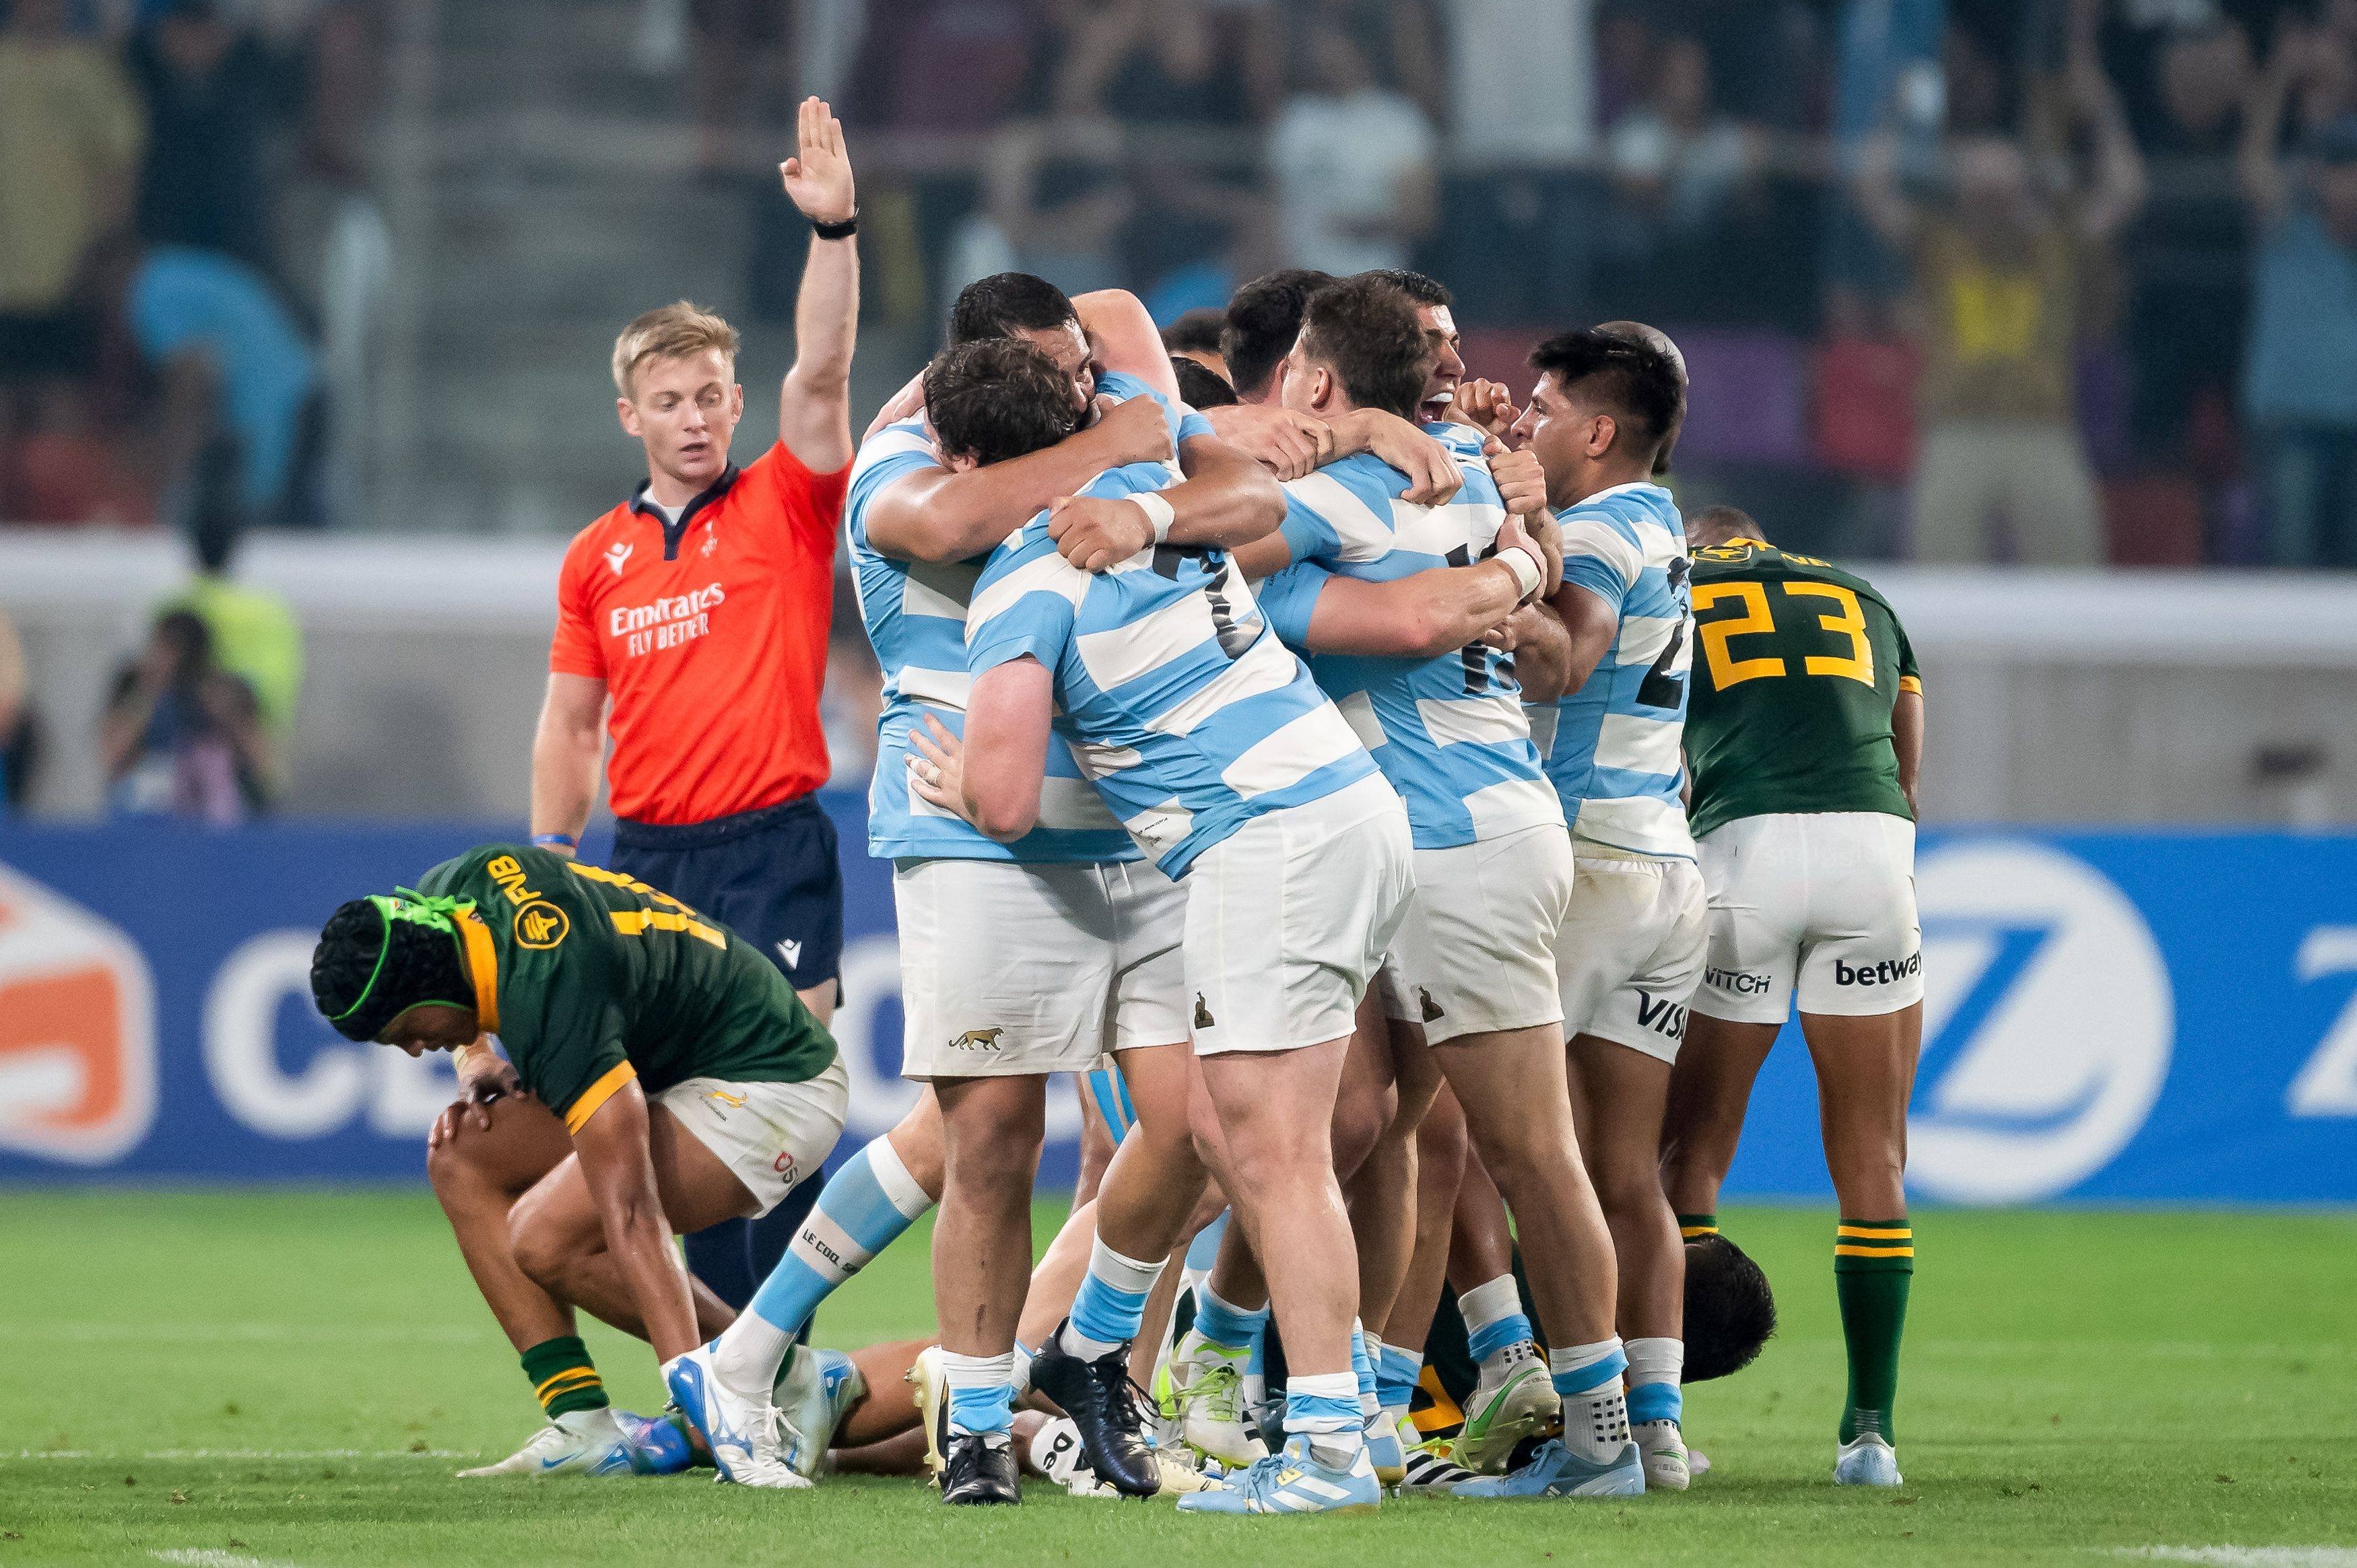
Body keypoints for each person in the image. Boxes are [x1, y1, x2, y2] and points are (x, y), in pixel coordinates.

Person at [669, 271, 1282, 1503]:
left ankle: (1090, 1349)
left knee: (1205, 1127)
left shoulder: (1095, 407)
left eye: (1083, 366)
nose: (1083, 382)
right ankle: (974, 1421)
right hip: (974, 831)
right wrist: (1117, 444)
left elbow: (1246, 499)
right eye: (1055, 372)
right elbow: (946, 526)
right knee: (989, 1137)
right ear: (980, 384)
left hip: (1127, 827)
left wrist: (1143, 450)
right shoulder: (918, 453)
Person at [910, 337, 1418, 1519]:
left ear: (967, 459)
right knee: (1219, 1125)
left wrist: (956, 792)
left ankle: (1330, 1447)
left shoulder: (1022, 583)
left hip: (1268, 841)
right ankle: (1093, 1348)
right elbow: (1255, 490)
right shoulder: (1157, 500)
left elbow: (1006, 798)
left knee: (1275, 1158)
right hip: (1351, 808)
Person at [1196, 275, 1575, 1489]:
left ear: (1318, 371)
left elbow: (1408, 616)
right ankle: (1261, 1373)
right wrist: (1527, 536)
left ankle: (1356, 1393)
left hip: (1405, 830)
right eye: (1437, 351)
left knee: (1411, 1130)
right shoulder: (1450, 468)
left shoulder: (1385, 487)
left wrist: (1520, 539)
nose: (1459, 372)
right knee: (1347, 1125)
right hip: (1342, 823)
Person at [517, 98, 860, 1325]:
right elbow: (569, 727)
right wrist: (554, 864)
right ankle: (718, 1374)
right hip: (646, 863)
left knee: (784, 1105)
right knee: (672, 1122)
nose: (702, 416)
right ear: (632, 415)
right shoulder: (595, 559)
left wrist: (836, 233)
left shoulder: (786, 500)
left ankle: (785, 1347)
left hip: (770, 845)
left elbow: (821, 370)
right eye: (674, 400)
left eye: (715, 393)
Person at [308, 846, 846, 1481]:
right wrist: (474, 1055)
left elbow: (633, 1210)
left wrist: (701, 1397)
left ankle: (773, 1377)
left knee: (544, 1236)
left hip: (775, 1088)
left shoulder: (550, 989)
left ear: (425, 986)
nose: (414, 1049)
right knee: (460, 1157)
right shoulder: (444, 897)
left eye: (406, 1032)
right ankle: (584, 1424)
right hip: (677, 1071)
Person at [1474, 327, 1699, 1497]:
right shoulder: (1665, 519)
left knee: (1478, 1135)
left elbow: (1570, 656)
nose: (1530, 419)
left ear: (1598, 431)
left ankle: (1542, 1390)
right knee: (1623, 1168)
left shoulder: (1602, 530)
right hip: (1668, 868)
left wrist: (1494, 603)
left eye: (1547, 405)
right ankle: (1655, 1429)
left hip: (1588, 862)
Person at [1659, 504, 1926, 1490]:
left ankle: (1662, 1423)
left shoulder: (1676, 589)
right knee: (1874, 1158)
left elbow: (1654, 753)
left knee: (1689, 1156)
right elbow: (1906, 758)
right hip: (1871, 854)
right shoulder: (1863, 592)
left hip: (1742, 857)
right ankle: (1870, 1437)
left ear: (1694, 543)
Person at [1855, 59, 2144, 564]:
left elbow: (2126, 193)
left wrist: (2104, 111)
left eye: (2001, 193)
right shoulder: (1939, 241)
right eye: (1982, 193)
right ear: (1963, 191)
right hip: (1954, 426)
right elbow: (1870, 187)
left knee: (2073, 578)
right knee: (1940, 582)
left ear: (2022, 188)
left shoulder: (2054, 245)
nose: (1991, 205)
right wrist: (1894, 116)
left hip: (2042, 426)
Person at [2240, 36, 2357, 568]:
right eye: (2337, 166)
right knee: (2292, 571)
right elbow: (2253, 167)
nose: (2347, 181)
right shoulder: (2288, 217)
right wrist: (2281, 78)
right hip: (2293, 425)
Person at [1267, 22, 1438, 276]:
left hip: (1373, 286)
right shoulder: (1294, 119)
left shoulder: (1400, 120)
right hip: (1298, 285)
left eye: (1337, 47)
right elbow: (1272, 206)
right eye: (1321, 48)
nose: (1327, 58)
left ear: (1361, 51)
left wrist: (1361, 225)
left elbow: (1419, 216)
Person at [158, 506, 303, 777]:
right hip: (244, 746)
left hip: (207, 749)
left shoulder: (176, 605)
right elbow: (281, 687)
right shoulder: (271, 610)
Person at [101, 610, 269, 823]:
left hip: (213, 804)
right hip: (149, 802)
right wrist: (149, 694)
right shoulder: (136, 686)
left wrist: (221, 710)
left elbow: (261, 761)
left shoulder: (223, 690)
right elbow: (111, 756)